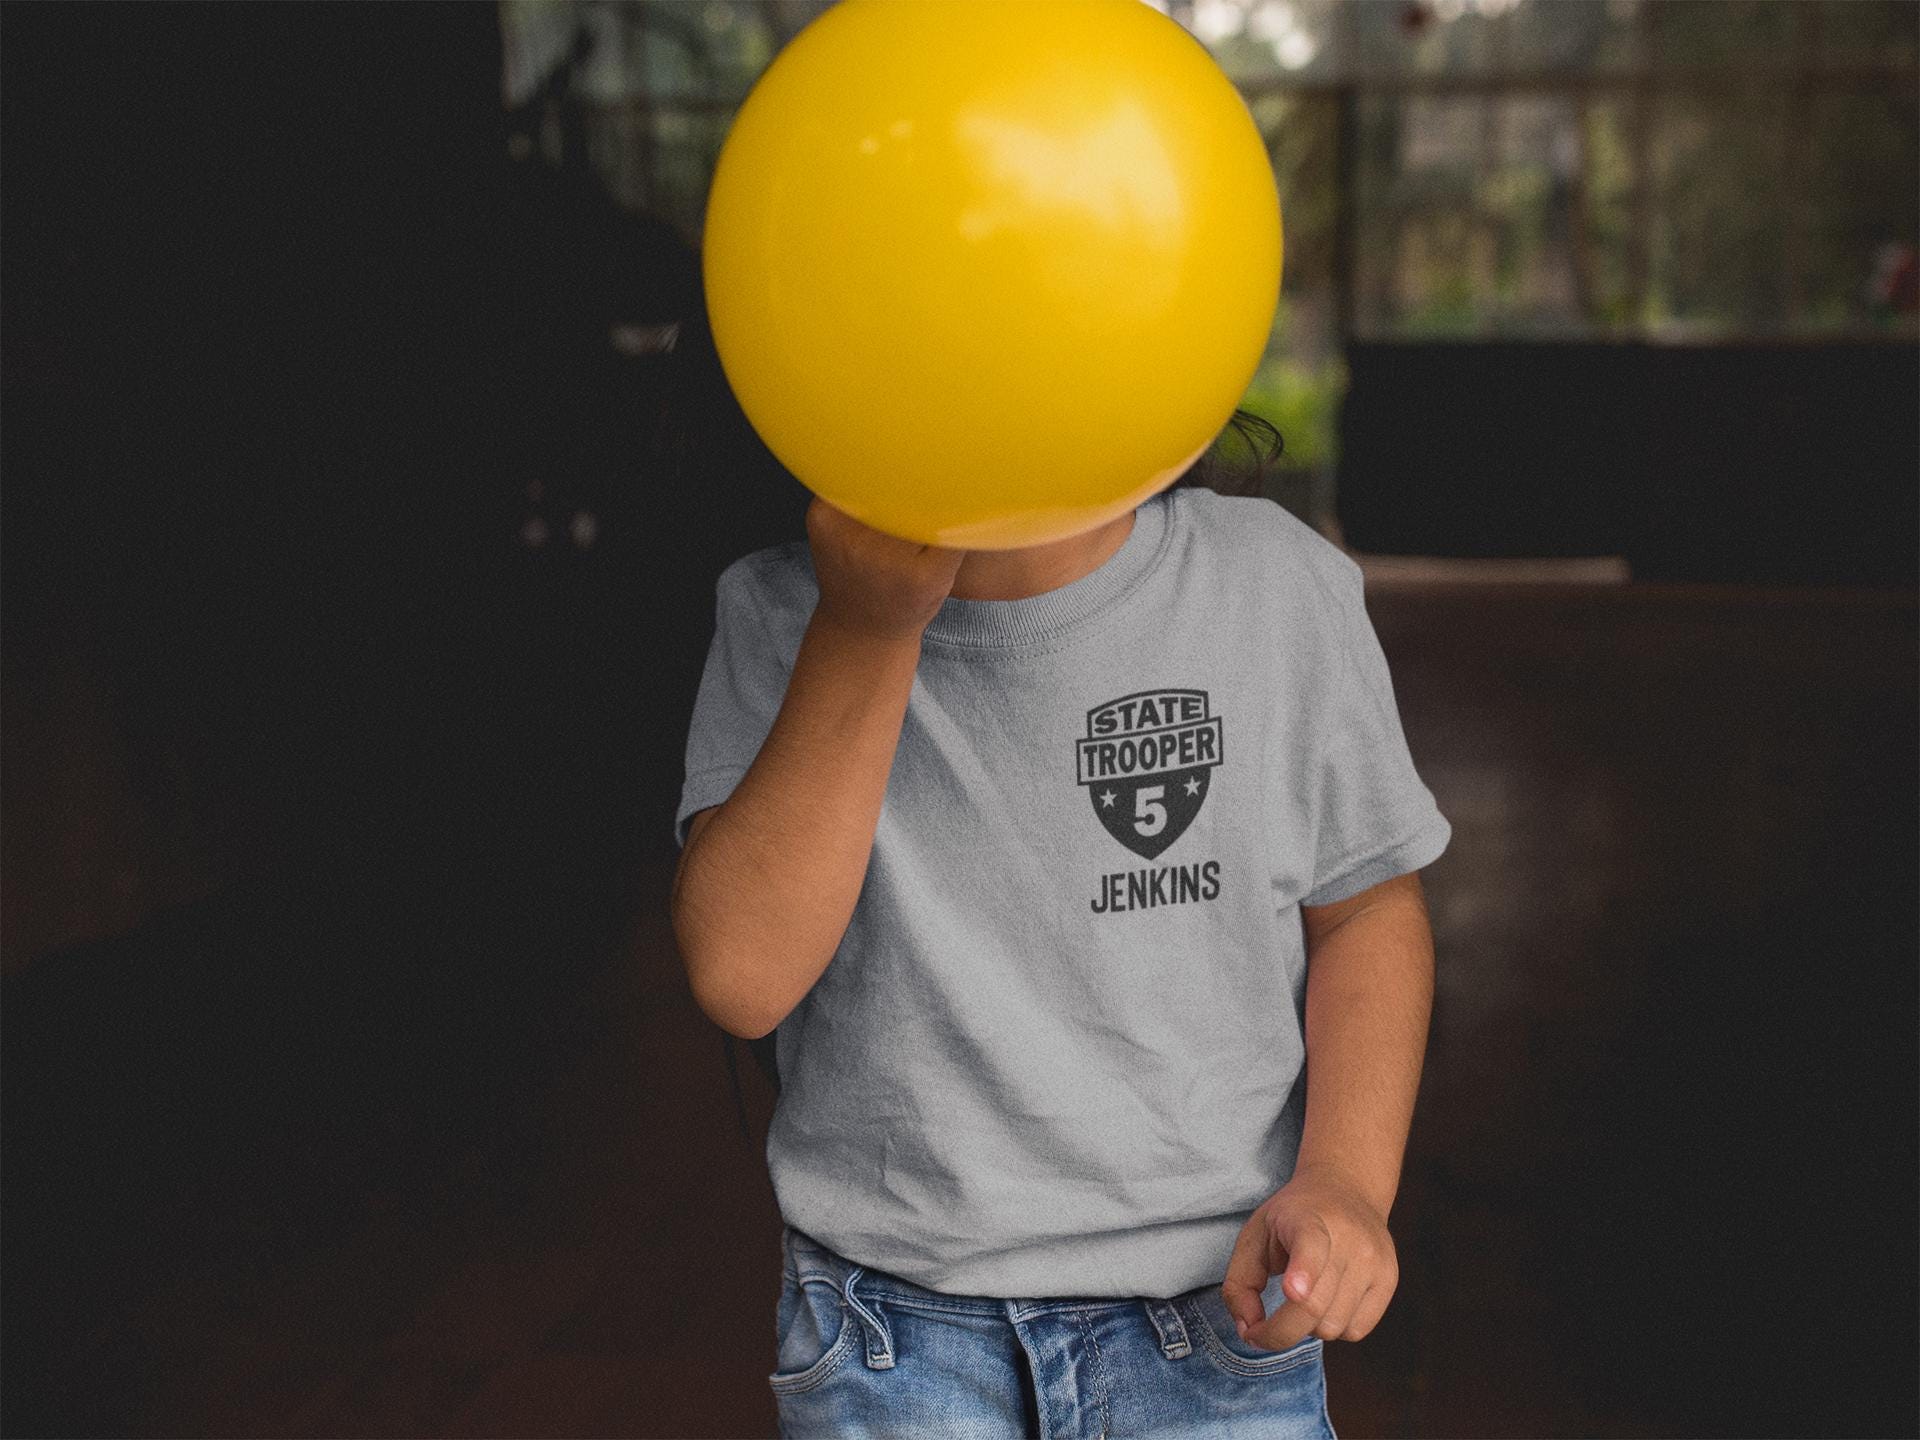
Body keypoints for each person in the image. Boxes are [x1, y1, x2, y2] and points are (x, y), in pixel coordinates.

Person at [670, 415, 1450, 1439]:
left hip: (1218, 1308)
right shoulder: (779, 609)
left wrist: (1343, 1179)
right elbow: (740, 975)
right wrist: (865, 631)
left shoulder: (1276, 587)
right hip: (897, 1332)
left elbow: (1363, 908)